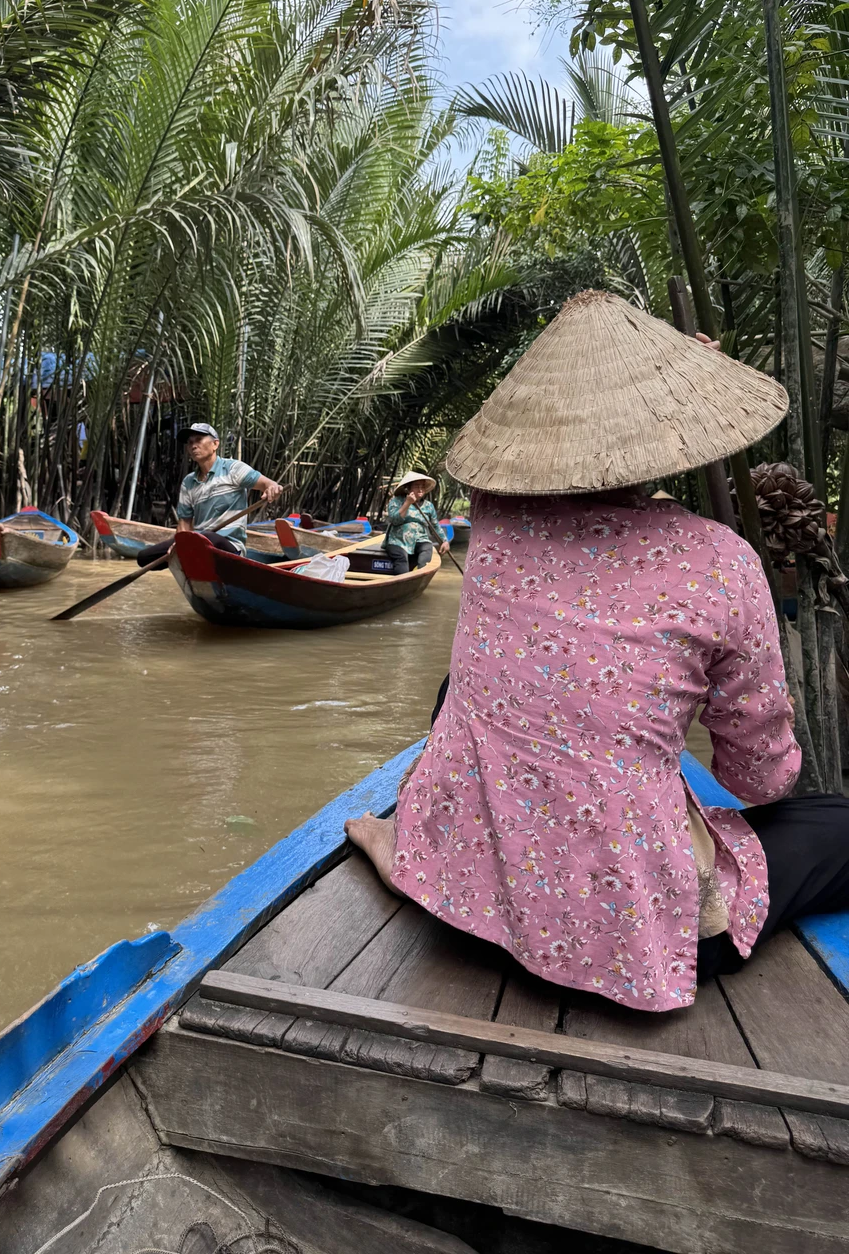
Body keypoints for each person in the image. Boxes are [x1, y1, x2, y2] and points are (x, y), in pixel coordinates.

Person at [346, 288, 849, 1012]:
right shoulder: (720, 561)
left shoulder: (492, 524)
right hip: (619, 937)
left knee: (461, 685)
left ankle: (411, 847)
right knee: (837, 825)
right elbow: (759, 780)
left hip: (460, 890)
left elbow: (502, 471)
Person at [136, 422, 283, 566]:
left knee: (204, 537)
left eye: (199, 440)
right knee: (143, 557)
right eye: (190, 442)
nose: (193, 446)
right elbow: (184, 524)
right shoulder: (188, 482)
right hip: (196, 543)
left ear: (215, 444)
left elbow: (268, 484)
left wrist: (272, 488)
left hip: (228, 546)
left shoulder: (233, 469)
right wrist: (178, 544)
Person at [383, 471, 446, 574]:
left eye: (423, 486)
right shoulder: (396, 501)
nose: (420, 489)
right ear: (408, 488)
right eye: (417, 486)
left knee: (427, 548)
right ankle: (403, 583)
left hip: (420, 540)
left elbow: (435, 526)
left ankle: (419, 575)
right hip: (398, 541)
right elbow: (394, 520)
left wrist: (444, 541)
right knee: (401, 559)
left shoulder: (428, 506)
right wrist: (407, 503)